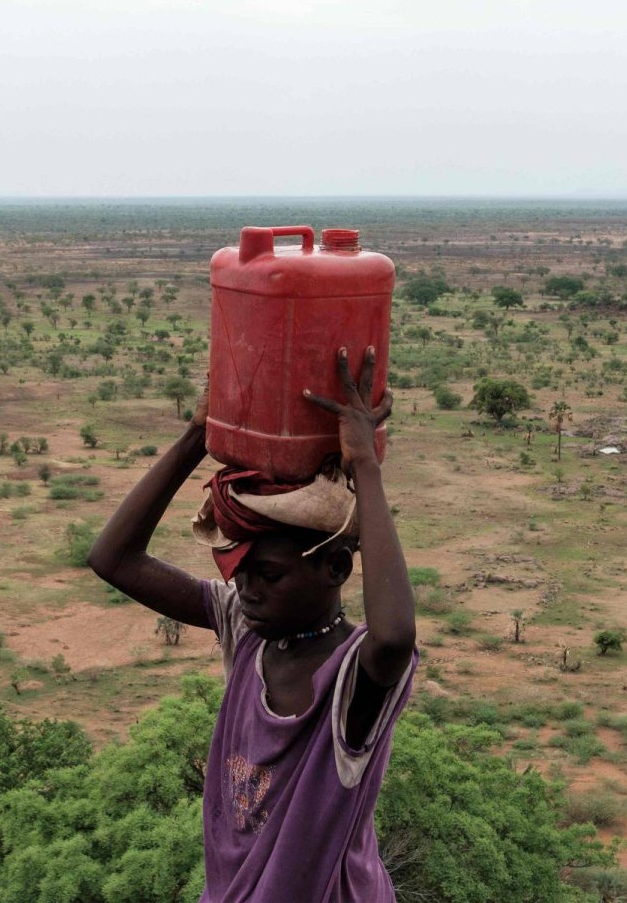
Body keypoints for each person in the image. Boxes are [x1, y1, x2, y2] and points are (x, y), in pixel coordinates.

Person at [88, 346, 418, 902]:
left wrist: (364, 463)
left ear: (337, 568)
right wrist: (201, 434)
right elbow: (113, 559)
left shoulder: (350, 681)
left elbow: (394, 637)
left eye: (268, 574)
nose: (247, 588)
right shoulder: (245, 628)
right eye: (240, 570)